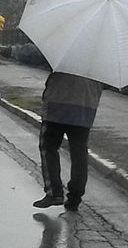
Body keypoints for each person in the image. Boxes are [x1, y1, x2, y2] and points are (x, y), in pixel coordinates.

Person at [33, 72, 104, 211]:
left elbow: (36, 55)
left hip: (57, 105)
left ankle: (54, 192)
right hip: (85, 108)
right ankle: (75, 197)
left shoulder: (65, 51)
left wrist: (11, 51)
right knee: (79, 154)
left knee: (48, 148)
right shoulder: (104, 56)